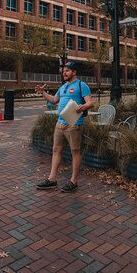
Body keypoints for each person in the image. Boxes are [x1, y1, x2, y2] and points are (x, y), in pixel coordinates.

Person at [34, 61, 94, 193]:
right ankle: (52, 179)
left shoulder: (81, 85)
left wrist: (82, 107)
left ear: (74, 72)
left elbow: (90, 102)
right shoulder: (63, 87)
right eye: (63, 71)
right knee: (56, 150)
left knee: (75, 152)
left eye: (67, 71)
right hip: (60, 123)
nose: (64, 73)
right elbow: (54, 100)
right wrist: (43, 92)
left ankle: (73, 181)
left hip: (73, 124)